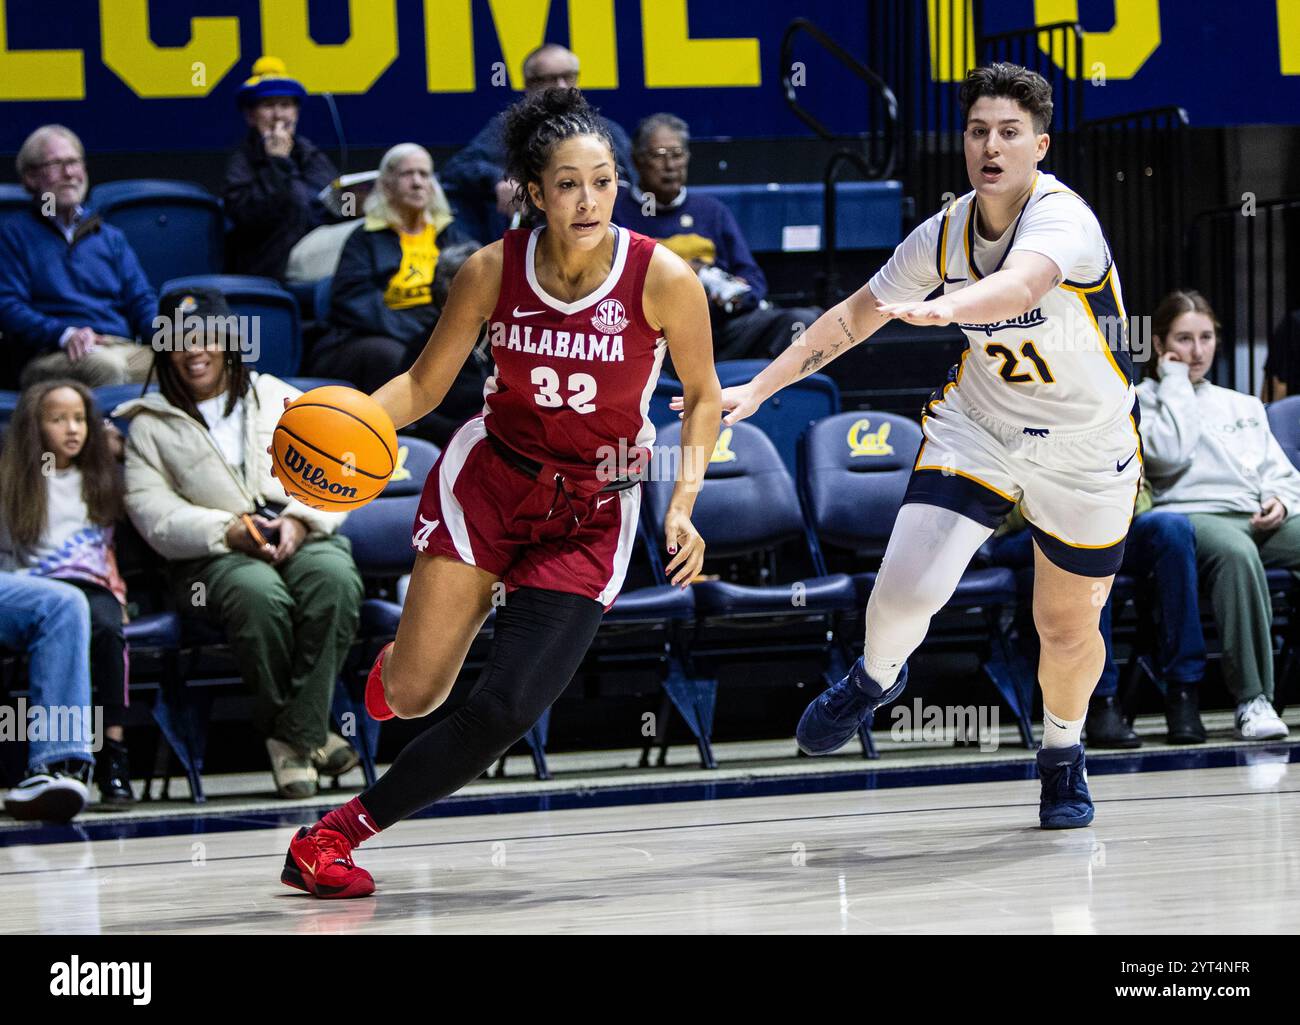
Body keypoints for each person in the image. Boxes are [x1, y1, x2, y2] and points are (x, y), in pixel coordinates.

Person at [279, 87, 720, 898]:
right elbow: (419, 384)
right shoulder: (489, 270)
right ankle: (413, 652)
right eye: (567, 183)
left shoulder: (662, 277)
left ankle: (328, 837)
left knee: (506, 704)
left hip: (591, 509)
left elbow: (703, 396)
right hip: (490, 483)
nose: (588, 199)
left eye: (602, 180)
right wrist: (333, 432)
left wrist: (683, 501)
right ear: (532, 190)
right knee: (412, 695)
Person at [675, 63, 1140, 830]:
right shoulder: (946, 230)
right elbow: (853, 316)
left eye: (1009, 133)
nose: (991, 146)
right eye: (978, 131)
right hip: (982, 427)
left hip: (1087, 449)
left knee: (1065, 627)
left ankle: (1062, 754)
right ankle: (874, 679)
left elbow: (1021, 288)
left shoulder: (1065, 220)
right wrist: (757, 389)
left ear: (1040, 145)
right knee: (904, 589)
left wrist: (951, 304)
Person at [116, 287, 364, 798]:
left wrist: (299, 519)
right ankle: (310, 737)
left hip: (296, 531)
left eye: (206, 336)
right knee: (259, 596)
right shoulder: (148, 423)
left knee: (335, 580)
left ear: (229, 341)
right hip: (213, 556)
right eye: (181, 340)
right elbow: (151, 511)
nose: (195, 350)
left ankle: (290, 738)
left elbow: (334, 471)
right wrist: (223, 530)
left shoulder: (277, 395)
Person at [1139, 289, 1297, 741]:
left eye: (1205, 337)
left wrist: (1281, 501)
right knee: (1236, 554)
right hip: (1192, 515)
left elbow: (1279, 470)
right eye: (1184, 339)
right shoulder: (1141, 401)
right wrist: (1173, 382)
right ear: (1159, 344)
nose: (1196, 350)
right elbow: (1170, 454)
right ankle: (1253, 700)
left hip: (1259, 512)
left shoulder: (1242, 404)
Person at [0, 379, 138, 803]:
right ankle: (53, 761)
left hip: (88, 586)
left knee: (103, 626)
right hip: (30, 583)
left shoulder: (103, 478)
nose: (72, 429)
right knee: (65, 606)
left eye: (80, 419)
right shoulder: (13, 481)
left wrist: (128, 450)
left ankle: (100, 753)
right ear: (33, 427)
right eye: (58, 420)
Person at [987, 487, 1207, 747]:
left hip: (1111, 524)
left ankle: (1183, 690)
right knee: (1089, 543)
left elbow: (1143, 490)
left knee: (1173, 529)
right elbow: (1000, 503)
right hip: (1026, 533)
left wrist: (1117, 500)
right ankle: (1101, 700)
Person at [305, 143, 482, 443]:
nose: (417, 182)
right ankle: (401, 438)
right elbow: (352, 303)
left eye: (424, 174)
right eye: (407, 174)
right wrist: (423, 330)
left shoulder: (451, 234)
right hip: (367, 339)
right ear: (386, 184)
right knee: (400, 358)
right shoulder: (364, 238)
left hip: (433, 330)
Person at [614, 113, 823, 362]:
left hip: (720, 328)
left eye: (677, 154)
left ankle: (759, 392)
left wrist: (733, 295)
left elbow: (752, 279)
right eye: (659, 155)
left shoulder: (711, 211)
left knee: (804, 322)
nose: (670, 165)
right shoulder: (617, 211)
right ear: (637, 160)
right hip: (657, 334)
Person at [0, 125, 155, 389]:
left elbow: (141, 300)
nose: (69, 173)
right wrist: (63, 334)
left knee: (180, 364)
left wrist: (172, 338)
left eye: (73, 162)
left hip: (118, 345)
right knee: (107, 369)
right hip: (51, 354)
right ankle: (105, 432)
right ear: (30, 178)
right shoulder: (13, 234)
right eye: (57, 164)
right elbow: (8, 307)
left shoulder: (109, 236)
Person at [439, 44, 635, 243]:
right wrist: (497, 179)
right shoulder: (508, 130)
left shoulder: (606, 132)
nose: (561, 86)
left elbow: (637, 188)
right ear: (528, 85)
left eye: (568, 76)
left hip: (606, 243)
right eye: (549, 79)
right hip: (533, 246)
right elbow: (455, 170)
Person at [223, 57, 339, 280]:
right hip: (272, 261)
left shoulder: (310, 153)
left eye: (285, 105)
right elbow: (249, 218)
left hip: (317, 245)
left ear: (296, 113)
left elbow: (337, 205)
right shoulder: (242, 162)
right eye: (268, 106)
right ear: (250, 116)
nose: (278, 115)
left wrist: (359, 198)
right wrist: (278, 163)